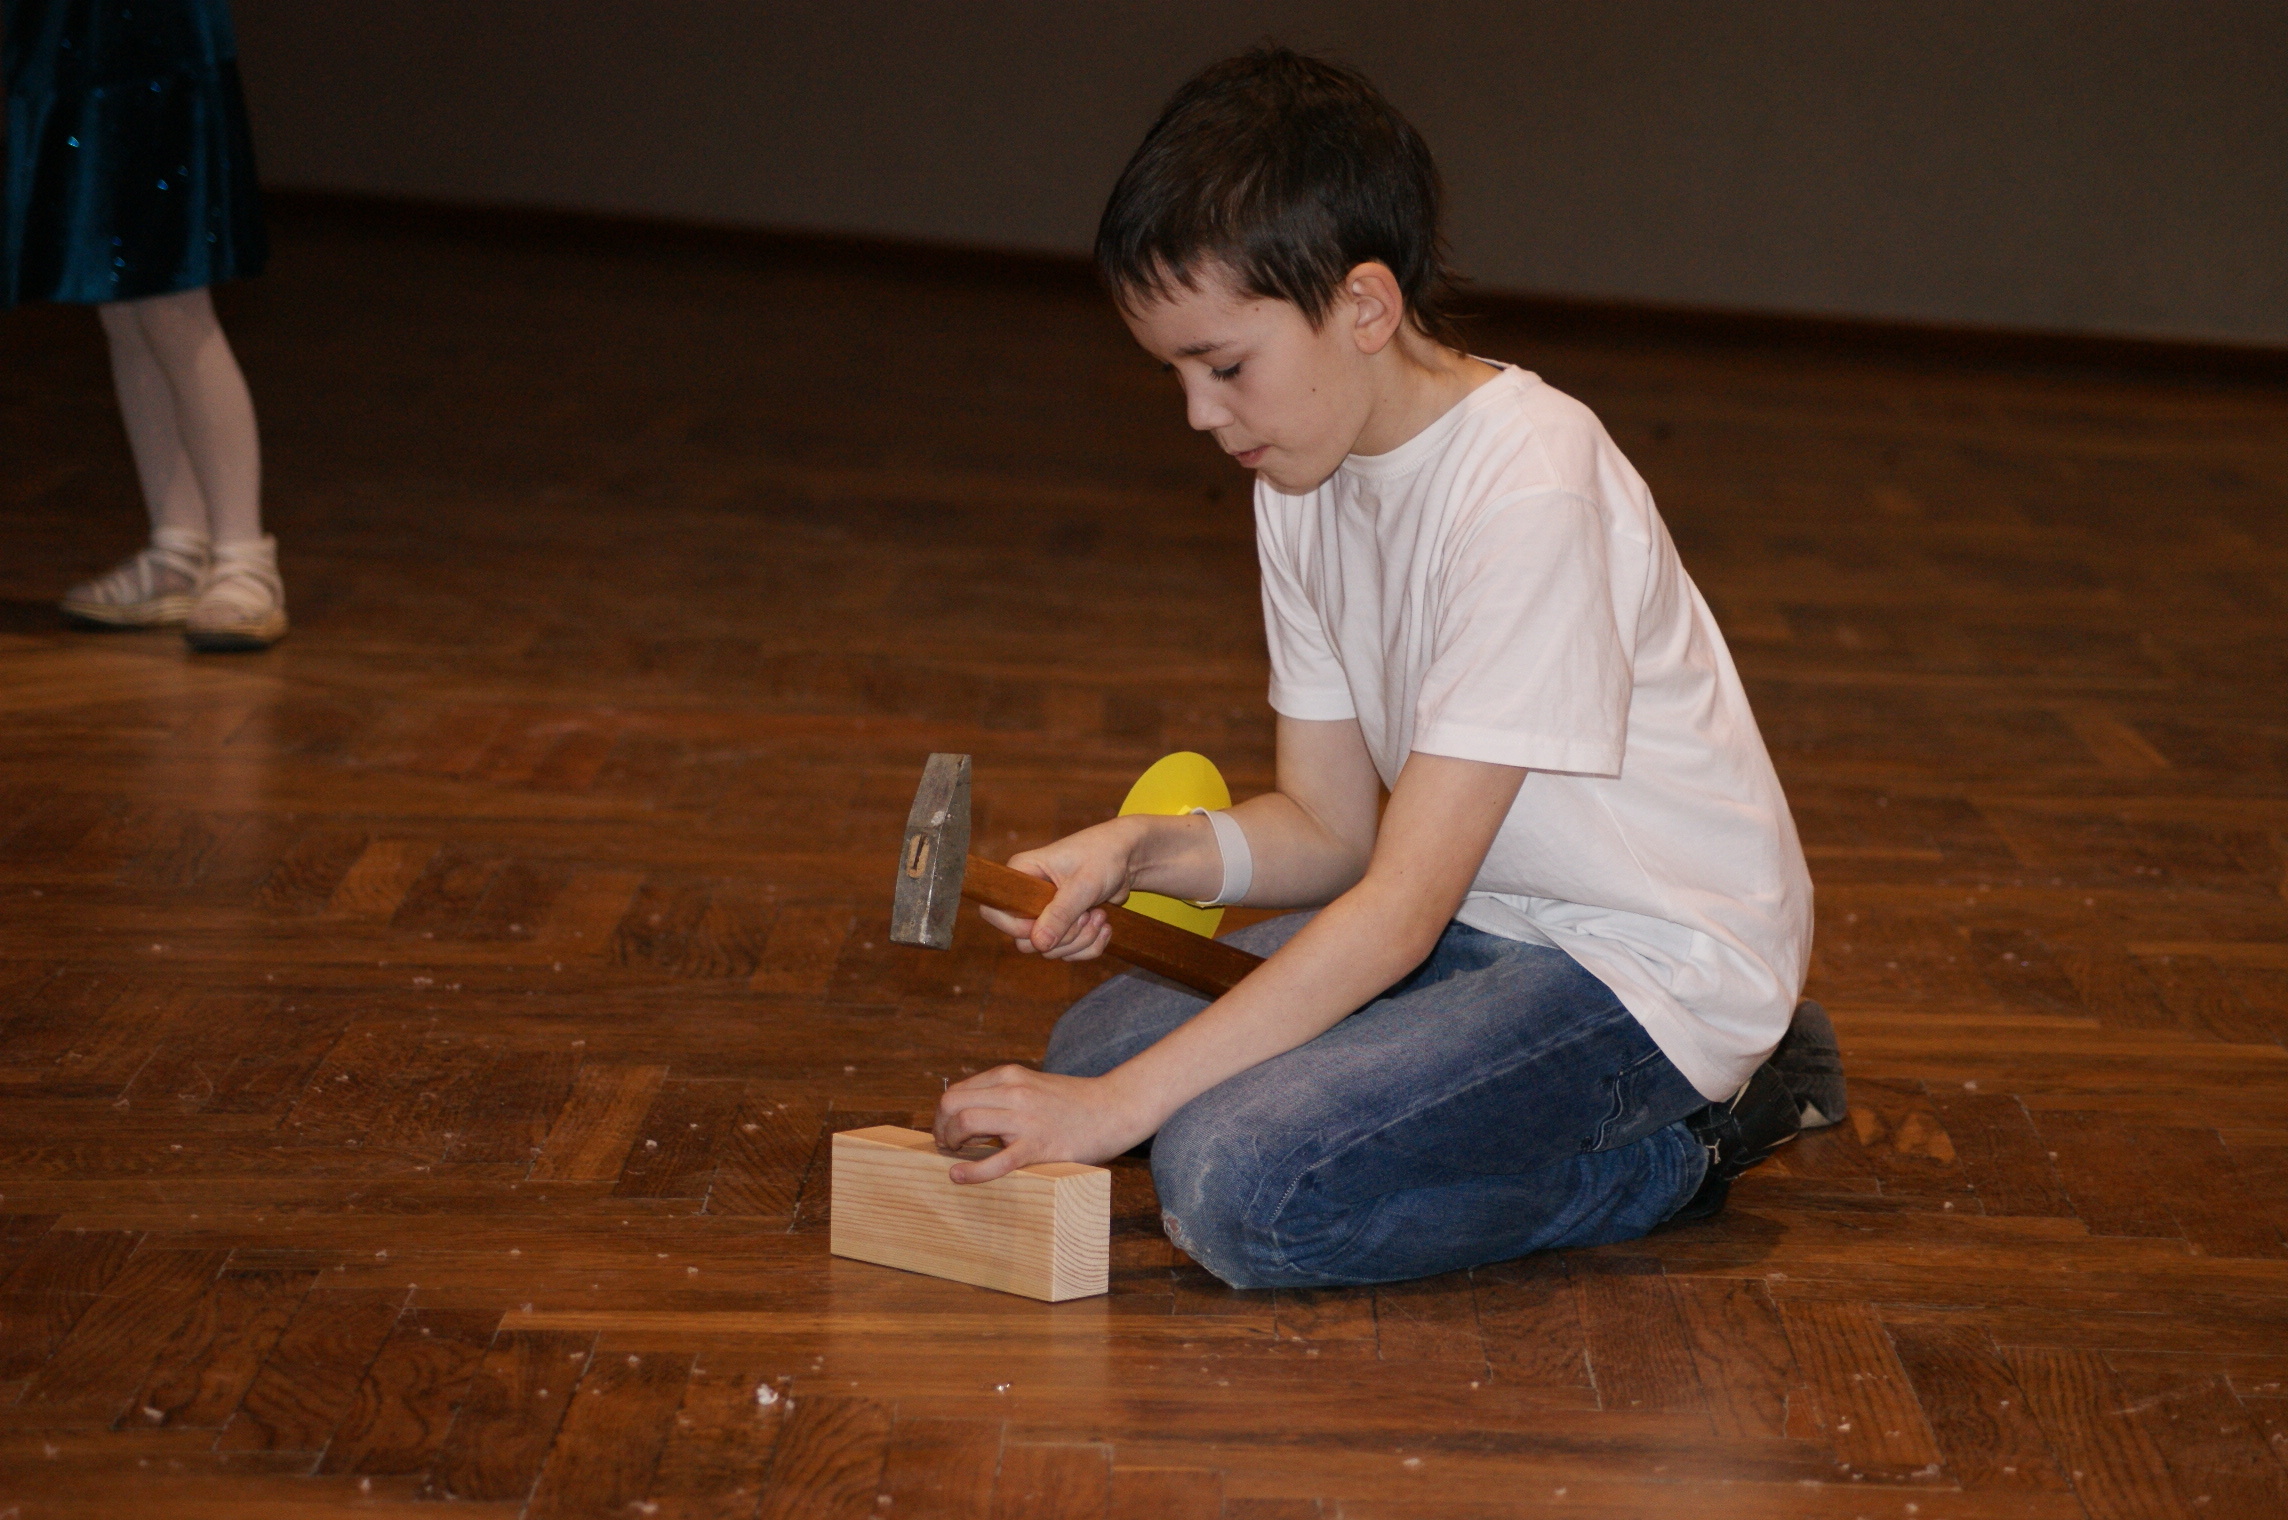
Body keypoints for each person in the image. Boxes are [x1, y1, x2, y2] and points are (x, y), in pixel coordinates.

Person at [933, 48, 1845, 1291]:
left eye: (1223, 365)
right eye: (1174, 374)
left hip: (1644, 967)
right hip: (1480, 917)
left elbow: (1397, 906)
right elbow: (1331, 830)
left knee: (1237, 1184)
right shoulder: (1297, 476)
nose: (1199, 414)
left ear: (1363, 306)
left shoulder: (1527, 486)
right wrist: (1132, 855)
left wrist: (1115, 1112)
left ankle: (1694, 1142)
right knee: (1096, 1044)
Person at [5, 0, 286, 649]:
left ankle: (244, 557)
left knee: (171, 303)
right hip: (66, 41)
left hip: (149, 42)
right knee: (124, 307)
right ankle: (177, 548)